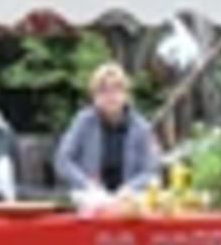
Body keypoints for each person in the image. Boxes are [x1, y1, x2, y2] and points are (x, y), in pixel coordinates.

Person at [53, 61, 165, 204]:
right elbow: (63, 161)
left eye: (116, 89)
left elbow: (152, 171)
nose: (110, 96)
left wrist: (130, 188)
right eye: (103, 90)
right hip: (90, 198)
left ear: (126, 94)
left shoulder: (141, 128)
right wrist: (87, 184)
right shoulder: (83, 122)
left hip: (130, 200)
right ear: (94, 96)